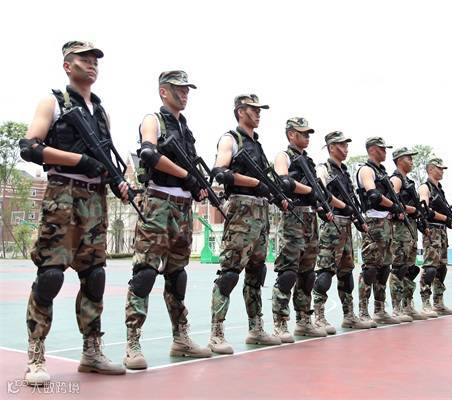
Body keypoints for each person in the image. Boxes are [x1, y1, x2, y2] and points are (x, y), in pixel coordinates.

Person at [19, 41, 127, 385]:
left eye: (95, 60)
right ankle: (36, 354)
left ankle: (91, 351)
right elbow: (30, 148)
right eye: (85, 59)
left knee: (95, 276)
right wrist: (80, 160)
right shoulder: (52, 102)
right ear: (68, 65)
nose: (92, 64)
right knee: (50, 275)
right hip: (62, 193)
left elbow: (107, 158)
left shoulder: (101, 111)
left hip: (95, 198)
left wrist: (118, 182)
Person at [123, 70, 212, 369]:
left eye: (187, 89)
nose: (184, 94)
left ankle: (180, 337)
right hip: (158, 203)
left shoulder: (185, 128)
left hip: (183, 208)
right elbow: (149, 154)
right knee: (145, 272)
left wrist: (196, 186)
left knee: (177, 275)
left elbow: (190, 171)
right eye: (178, 89)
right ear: (163, 91)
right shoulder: (154, 120)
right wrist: (187, 176)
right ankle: (132, 342)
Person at [208, 94, 282, 354]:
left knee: (256, 273)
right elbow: (219, 172)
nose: (258, 113)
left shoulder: (257, 146)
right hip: (241, 209)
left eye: (260, 110)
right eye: (253, 109)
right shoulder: (231, 139)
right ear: (240, 111)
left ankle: (256, 328)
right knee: (229, 273)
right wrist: (255, 183)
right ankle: (216, 333)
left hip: (261, 211)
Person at [271, 117, 331, 342]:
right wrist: (309, 191)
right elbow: (284, 181)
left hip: (310, 217)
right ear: (291, 134)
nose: (307, 137)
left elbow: (317, 192)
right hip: (293, 216)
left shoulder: (309, 161)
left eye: (308, 134)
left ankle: (304, 319)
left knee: (307, 273)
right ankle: (280, 322)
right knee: (288, 272)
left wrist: (321, 203)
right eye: (302, 133)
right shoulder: (283, 156)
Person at [312, 131, 372, 332]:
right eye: (341, 145)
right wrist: (343, 206)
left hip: (346, 224)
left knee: (346, 272)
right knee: (325, 272)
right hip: (332, 223)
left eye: (346, 145)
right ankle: (319, 316)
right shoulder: (324, 169)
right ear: (331, 147)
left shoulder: (344, 172)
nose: (346, 149)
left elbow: (351, 201)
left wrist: (356, 218)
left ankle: (349, 315)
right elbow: (321, 192)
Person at [356, 137, 402, 326]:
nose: (385, 152)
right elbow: (373, 195)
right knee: (371, 268)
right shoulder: (367, 170)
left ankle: (380, 309)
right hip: (374, 221)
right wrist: (393, 205)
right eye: (382, 149)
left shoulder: (382, 172)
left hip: (386, 222)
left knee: (384, 268)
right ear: (373, 149)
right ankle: (363, 310)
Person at [388, 147, 427, 320]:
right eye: (408, 158)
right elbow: (394, 203)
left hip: (410, 227)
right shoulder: (396, 179)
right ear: (399, 160)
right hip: (400, 228)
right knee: (399, 268)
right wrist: (413, 210)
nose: (411, 161)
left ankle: (407, 304)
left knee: (410, 268)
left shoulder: (408, 181)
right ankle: (397, 308)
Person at [417, 158, 452, 317]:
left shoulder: (439, 189)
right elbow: (425, 210)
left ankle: (438, 302)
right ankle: (426, 302)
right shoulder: (425, 187)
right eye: (439, 168)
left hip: (442, 232)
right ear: (430, 169)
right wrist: (445, 218)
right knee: (430, 267)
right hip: (432, 230)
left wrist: (450, 221)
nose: (442, 171)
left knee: (441, 267)